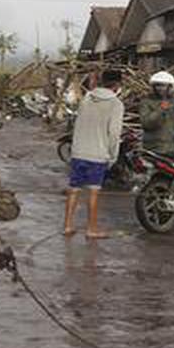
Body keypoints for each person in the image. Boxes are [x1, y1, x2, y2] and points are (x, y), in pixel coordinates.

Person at [64, 69, 124, 239]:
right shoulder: (116, 104)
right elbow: (114, 133)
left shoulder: (87, 98)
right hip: (98, 154)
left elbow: (77, 123)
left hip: (78, 152)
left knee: (74, 189)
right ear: (117, 85)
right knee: (93, 192)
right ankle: (91, 229)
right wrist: (113, 155)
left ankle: (67, 226)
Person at [140, 71, 174, 156]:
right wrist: (160, 109)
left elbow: (171, 123)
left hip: (171, 148)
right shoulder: (146, 102)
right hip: (155, 148)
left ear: (169, 87)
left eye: (163, 85)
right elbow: (146, 123)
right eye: (157, 85)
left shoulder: (171, 103)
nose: (160, 88)